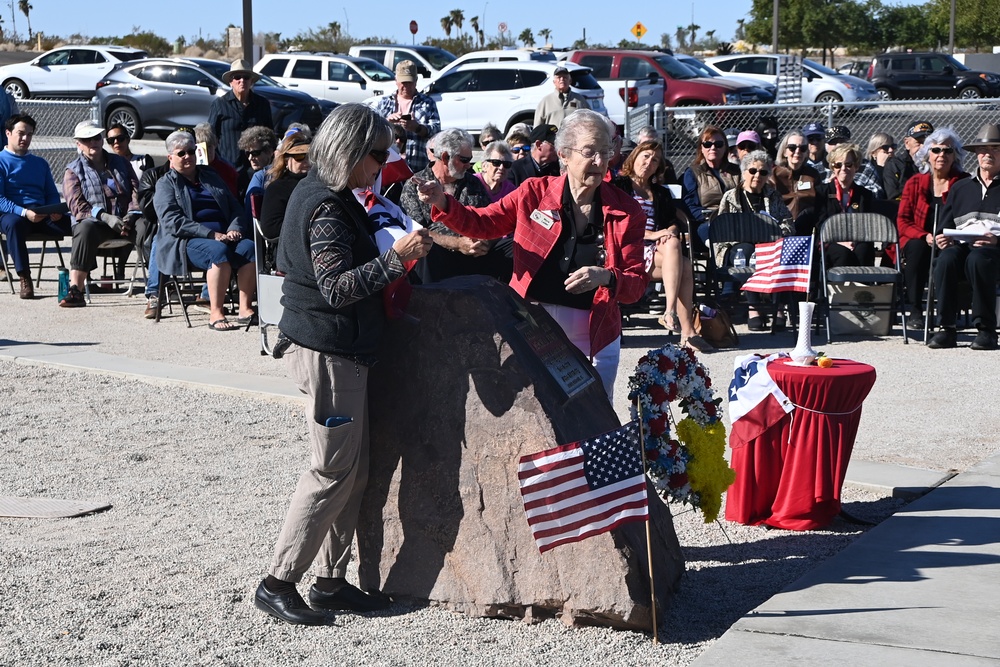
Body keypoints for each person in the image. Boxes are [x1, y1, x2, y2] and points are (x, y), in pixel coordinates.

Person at [254, 103, 432, 626]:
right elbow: (336, 288)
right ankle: (278, 580)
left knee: (352, 472)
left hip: (341, 351)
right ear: (352, 152)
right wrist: (397, 259)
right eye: (378, 153)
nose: (384, 162)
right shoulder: (327, 207)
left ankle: (331, 581)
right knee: (331, 469)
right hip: (331, 350)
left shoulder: (326, 195)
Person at [417, 109, 648, 398]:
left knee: (595, 417)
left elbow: (635, 284)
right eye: (590, 152)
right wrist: (443, 202)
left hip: (596, 331)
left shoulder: (627, 210)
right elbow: (483, 223)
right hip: (533, 323)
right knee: (541, 411)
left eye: (606, 151)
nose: (600, 162)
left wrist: (606, 276)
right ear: (563, 154)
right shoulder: (533, 192)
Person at [152, 130, 256, 331]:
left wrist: (234, 228)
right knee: (218, 252)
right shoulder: (165, 184)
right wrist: (211, 234)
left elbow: (234, 205)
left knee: (249, 249)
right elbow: (172, 221)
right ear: (170, 157)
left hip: (224, 236)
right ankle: (216, 312)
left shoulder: (210, 175)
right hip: (185, 242)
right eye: (181, 153)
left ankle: (245, 308)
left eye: (191, 151)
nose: (187, 157)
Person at [613, 140, 709, 352]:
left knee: (674, 245)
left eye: (655, 160)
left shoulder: (661, 192)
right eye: (645, 156)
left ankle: (672, 315)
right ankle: (686, 330)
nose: (649, 162)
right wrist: (655, 234)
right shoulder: (619, 186)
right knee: (683, 265)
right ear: (635, 157)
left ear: (658, 167)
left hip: (657, 249)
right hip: (628, 249)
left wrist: (670, 231)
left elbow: (671, 222)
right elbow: (618, 224)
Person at [400, 128, 509, 284]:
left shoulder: (473, 183)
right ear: (445, 157)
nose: (468, 166)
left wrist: (486, 242)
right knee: (424, 248)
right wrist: (458, 244)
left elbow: (493, 220)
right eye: (464, 160)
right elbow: (415, 232)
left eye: (470, 160)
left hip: (476, 255)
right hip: (439, 259)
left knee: (510, 246)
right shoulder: (415, 185)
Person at [927, 123, 1000, 351]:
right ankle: (946, 328)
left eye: (995, 149)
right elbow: (946, 226)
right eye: (982, 150)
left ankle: (986, 330)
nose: (987, 154)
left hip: (994, 251)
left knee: (978, 259)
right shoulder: (961, 188)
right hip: (964, 247)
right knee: (946, 258)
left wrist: (997, 240)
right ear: (976, 154)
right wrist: (942, 238)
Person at [61, 120, 140, 308]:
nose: (92, 142)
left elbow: (136, 191)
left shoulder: (121, 162)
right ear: (78, 144)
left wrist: (132, 214)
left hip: (126, 222)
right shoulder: (73, 170)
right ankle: (76, 290)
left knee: (148, 226)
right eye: (86, 139)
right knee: (84, 227)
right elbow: (77, 207)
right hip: (97, 225)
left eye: (96, 137)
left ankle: (158, 287)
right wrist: (105, 216)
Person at [896, 127, 968, 330]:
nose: (941, 155)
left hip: (952, 241)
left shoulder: (963, 183)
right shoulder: (914, 182)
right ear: (927, 154)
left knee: (950, 256)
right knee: (916, 249)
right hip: (921, 239)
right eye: (936, 150)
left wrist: (952, 237)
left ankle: (947, 314)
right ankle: (916, 311)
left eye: (947, 151)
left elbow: (970, 220)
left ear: (956, 155)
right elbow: (903, 220)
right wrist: (924, 235)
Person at [718, 149, 793, 330]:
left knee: (774, 251)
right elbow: (721, 226)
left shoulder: (772, 195)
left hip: (769, 243)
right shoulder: (731, 196)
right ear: (744, 172)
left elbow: (787, 222)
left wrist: (777, 230)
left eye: (763, 172)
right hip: (738, 244)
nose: (757, 175)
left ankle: (778, 308)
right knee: (746, 252)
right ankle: (753, 308)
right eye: (752, 171)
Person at [0, 113, 68, 299]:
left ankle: (81, 277)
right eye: (21, 133)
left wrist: (54, 210)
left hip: (41, 213)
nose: (25, 138)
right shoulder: (1, 161)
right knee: (14, 225)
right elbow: (0, 199)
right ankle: (25, 278)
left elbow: (51, 193)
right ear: (8, 133)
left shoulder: (40, 163)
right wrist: (23, 212)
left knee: (80, 224)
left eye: (29, 134)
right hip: (12, 213)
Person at [814, 142, 876, 267]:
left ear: (856, 167)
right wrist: (841, 242)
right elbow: (821, 224)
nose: (843, 169)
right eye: (838, 165)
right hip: (830, 240)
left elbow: (867, 225)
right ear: (832, 167)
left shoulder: (865, 194)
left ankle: (863, 286)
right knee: (842, 253)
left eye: (848, 164)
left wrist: (853, 241)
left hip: (857, 240)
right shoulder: (822, 192)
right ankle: (837, 285)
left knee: (864, 250)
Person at [374, 60, 441, 172]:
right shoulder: (384, 103)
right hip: (387, 167)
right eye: (403, 82)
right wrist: (387, 122)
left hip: (418, 166)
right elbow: (372, 131)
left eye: (410, 82)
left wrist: (417, 128)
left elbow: (437, 131)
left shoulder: (427, 103)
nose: (406, 86)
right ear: (396, 81)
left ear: (416, 81)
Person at [258, 129, 313, 264]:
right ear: (286, 160)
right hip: (291, 253)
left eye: (310, 156)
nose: (306, 160)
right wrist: (311, 228)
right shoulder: (277, 188)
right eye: (299, 156)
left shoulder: (321, 184)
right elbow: (270, 229)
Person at [682, 125, 740, 250]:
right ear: (701, 148)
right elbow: (690, 206)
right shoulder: (692, 173)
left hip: (736, 220)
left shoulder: (737, 172)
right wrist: (715, 216)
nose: (713, 148)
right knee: (713, 231)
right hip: (706, 222)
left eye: (718, 144)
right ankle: (719, 263)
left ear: (725, 148)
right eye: (707, 144)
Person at [208, 59, 274, 169]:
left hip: (255, 168)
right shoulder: (219, 104)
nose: (242, 80)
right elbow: (211, 137)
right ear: (230, 81)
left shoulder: (262, 104)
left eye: (246, 77)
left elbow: (270, 136)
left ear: (251, 81)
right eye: (237, 77)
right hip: (227, 167)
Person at [773, 130, 822, 229]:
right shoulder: (773, 175)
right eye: (792, 148)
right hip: (781, 226)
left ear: (806, 153)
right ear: (784, 152)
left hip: (808, 226)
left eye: (803, 148)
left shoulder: (813, 174)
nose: (797, 152)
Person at [884, 120, 933, 200]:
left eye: (927, 143)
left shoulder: (938, 164)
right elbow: (893, 196)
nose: (923, 148)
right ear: (907, 143)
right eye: (918, 143)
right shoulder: (895, 165)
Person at [194, 123, 238, 197]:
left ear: (215, 144)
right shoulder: (190, 168)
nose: (207, 151)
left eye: (209, 147)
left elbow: (232, 196)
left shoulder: (227, 170)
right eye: (202, 148)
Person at [239, 124, 278, 208]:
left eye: (255, 153)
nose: (250, 158)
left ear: (269, 151)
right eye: (247, 153)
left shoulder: (281, 173)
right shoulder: (243, 177)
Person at [854, 132, 895, 199]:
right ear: (873, 153)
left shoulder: (898, 167)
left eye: (893, 146)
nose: (891, 150)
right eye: (886, 147)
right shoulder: (866, 169)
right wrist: (880, 167)